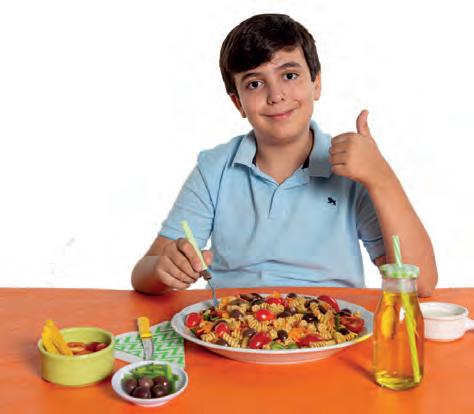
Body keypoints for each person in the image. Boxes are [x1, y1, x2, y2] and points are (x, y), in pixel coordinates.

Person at [132, 13, 437, 297]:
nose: (276, 95)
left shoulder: (353, 168)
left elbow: (421, 283)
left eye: (289, 75)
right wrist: (164, 269)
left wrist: (381, 177)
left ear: (316, 84)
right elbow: (143, 274)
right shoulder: (215, 169)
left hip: (335, 321)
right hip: (233, 321)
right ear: (238, 103)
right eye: (255, 83)